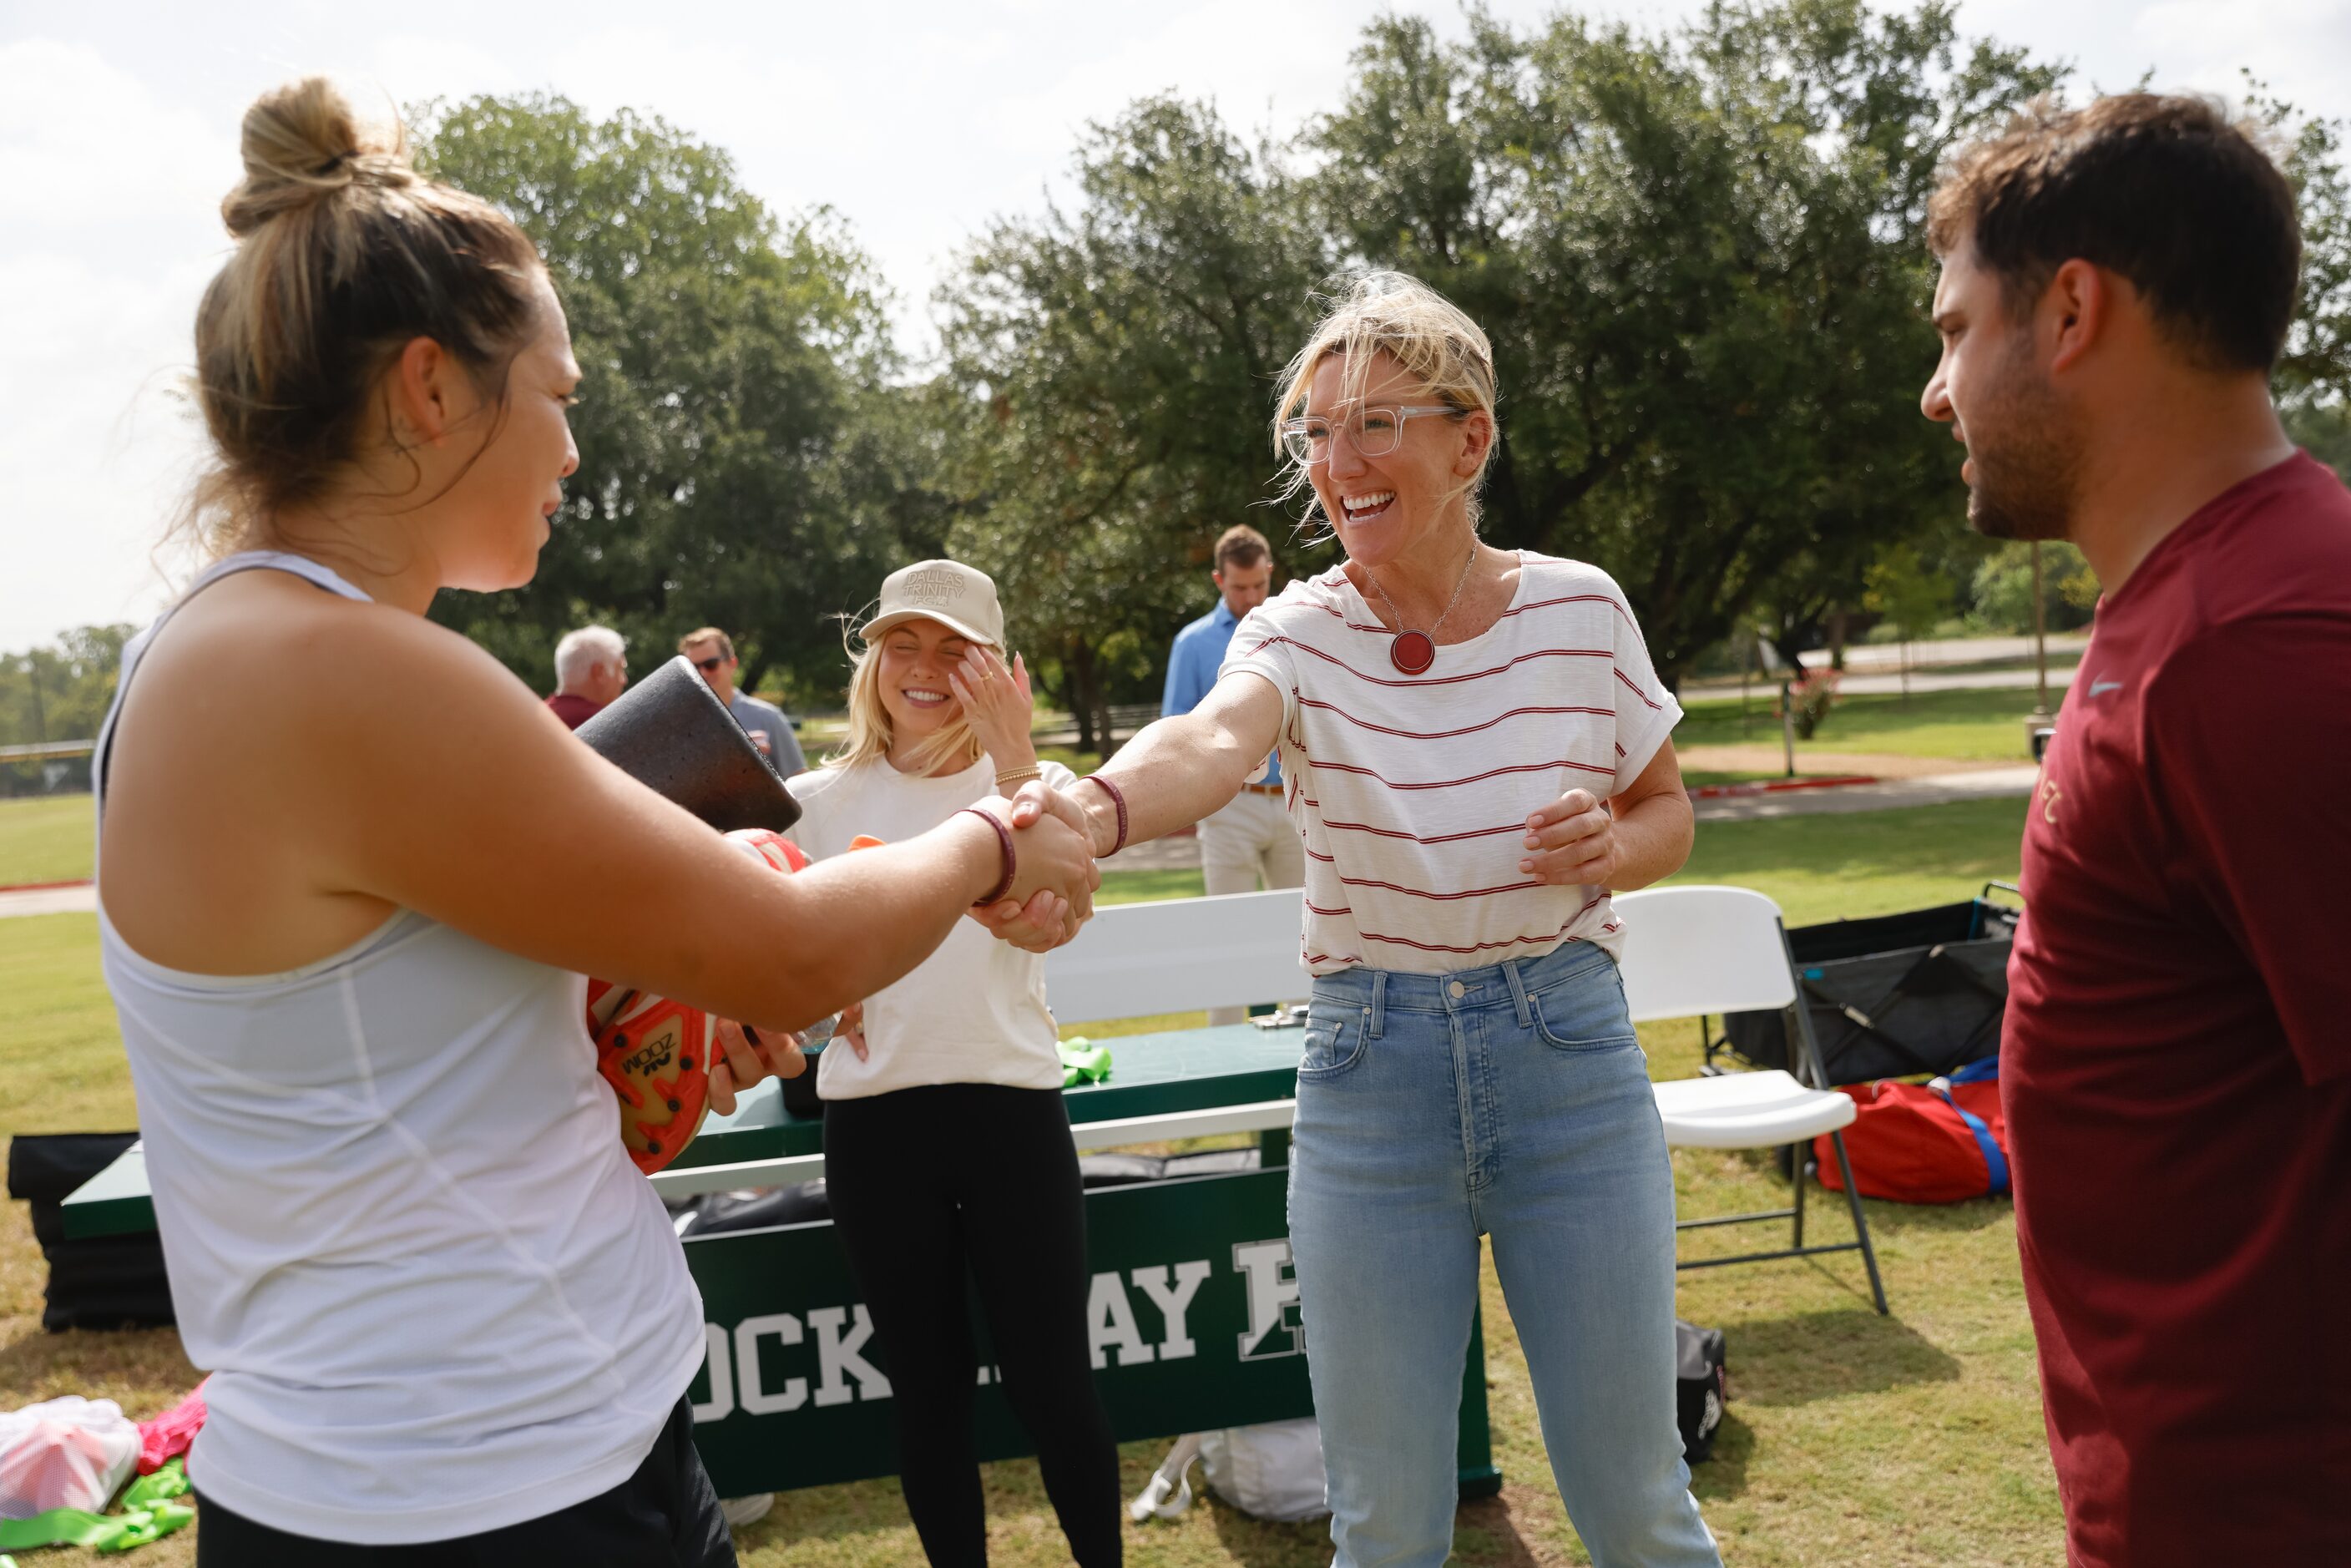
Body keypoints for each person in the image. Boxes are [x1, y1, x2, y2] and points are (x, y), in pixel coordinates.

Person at [93, 78, 1095, 1567]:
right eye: (557, 395)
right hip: (496, 1494)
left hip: (430, 1470)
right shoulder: (343, 670)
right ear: (430, 390)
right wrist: (1003, 839)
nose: (572, 449)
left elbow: (392, 1068)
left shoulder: (228, 649)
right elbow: (785, 953)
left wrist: (639, 1003)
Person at [1041, 273, 1718, 1568]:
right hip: (1370, 1073)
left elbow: (1667, 808)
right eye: (1315, 432)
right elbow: (1212, 738)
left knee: (1637, 1504)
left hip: (1568, 1059)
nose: (1335, 463)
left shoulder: (1583, 605)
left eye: (1374, 424)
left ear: (1469, 440)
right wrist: (1102, 807)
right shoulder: (1295, 630)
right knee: (1386, 1528)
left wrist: (1615, 843)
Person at [1922, 94, 2351, 1565]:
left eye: (1956, 328)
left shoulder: (2263, 640)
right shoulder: (2185, 613)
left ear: (2074, 310)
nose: (1939, 389)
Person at [781, 559, 1120, 1568]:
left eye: (953, 651)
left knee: (1052, 1381)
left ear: (993, 670)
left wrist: (1015, 758)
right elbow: (777, 987)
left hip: (1008, 1110)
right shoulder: (809, 801)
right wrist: (808, 1006)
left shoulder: (1030, 790)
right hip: (874, 1125)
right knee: (926, 1389)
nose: (924, 670)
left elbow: (1052, 915)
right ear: (872, 659)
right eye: (903, 644)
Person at [1162, 524, 1302, 1024]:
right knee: (1225, 933)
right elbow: (1174, 727)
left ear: (1270, 574)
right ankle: (1222, 1048)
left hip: (1293, 801)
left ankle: (1304, 1047)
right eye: (1239, 587)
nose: (1250, 597)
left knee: (1303, 927)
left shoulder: (1295, 633)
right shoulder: (1192, 643)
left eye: (1258, 586)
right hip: (1228, 805)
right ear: (1219, 580)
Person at [680, 626, 806, 777]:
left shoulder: (769, 717)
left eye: (711, 664)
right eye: (694, 667)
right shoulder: (682, 725)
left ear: (732, 663)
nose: (703, 673)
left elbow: (800, 780)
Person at [546, 622, 626, 729]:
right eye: (620, 670)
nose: (624, 680)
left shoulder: (533, 718)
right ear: (599, 673)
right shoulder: (607, 725)